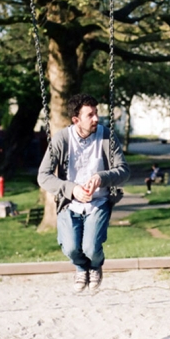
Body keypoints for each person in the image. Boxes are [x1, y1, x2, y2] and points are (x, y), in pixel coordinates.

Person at [37, 94, 130, 293]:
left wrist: (102, 177)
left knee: (91, 248)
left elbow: (124, 171)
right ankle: (81, 267)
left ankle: (95, 267)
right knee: (70, 248)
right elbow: (43, 176)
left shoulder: (106, 136)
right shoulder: (61, 139)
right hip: (70, 203)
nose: (97, 118)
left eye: (96, 113)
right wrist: (72, 190)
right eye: (91, 115)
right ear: (76, 120)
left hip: (98, 202)